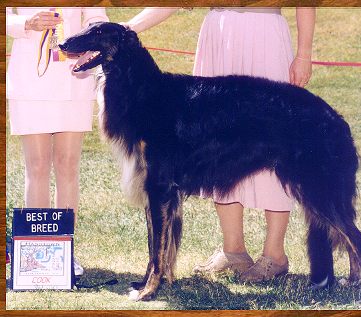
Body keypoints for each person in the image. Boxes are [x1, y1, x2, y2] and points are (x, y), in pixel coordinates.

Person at [124, 7, 315, 281]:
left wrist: (304, 54)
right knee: (216, 147)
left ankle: (274, 255)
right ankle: (233, 250)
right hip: (219, 35)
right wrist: (129, 26)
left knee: (273, 142)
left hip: (267, 34)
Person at [6, 7, 109, 276]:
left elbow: (97, 16)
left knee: (67, 166)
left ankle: (64, 252)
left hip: (74, 77)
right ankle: (36, 255)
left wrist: (92, 41)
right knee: (37, 166)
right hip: (30, 80)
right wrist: (25, 21)